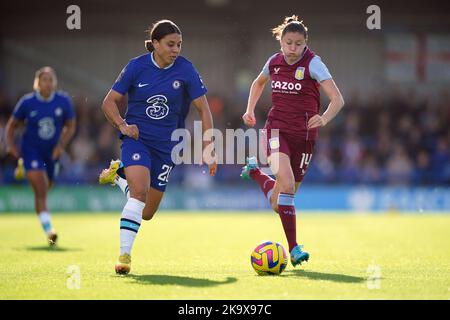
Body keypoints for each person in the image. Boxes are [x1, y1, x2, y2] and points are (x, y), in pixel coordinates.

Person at [99, 19, 217, 275]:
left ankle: (121, 176)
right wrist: (122, 125)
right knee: (139, 195)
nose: (176, 49)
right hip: (137, 140)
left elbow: (204, 109)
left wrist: (209, 147)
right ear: (155, 44)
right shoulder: (136, 67)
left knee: (147, 212)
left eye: (179, 45)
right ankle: (124, 255)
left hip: (167, 147)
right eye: (171, 44)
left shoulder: (185, 70)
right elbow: (109, 102)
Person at [241, 15, 344, 267]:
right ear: (281, 42)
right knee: (286, 185)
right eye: (288, 42)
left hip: (305, 137)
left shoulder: (314, 64)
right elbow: (258, 83)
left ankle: (255, 173)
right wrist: (250, 109)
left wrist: (324, 117)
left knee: (280, 202)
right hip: (276, 130)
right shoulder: (274, 62)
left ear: (305, 43)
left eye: (298, 43)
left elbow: (337, 99)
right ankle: (294, 248)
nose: (292, 48)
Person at [5, 66, 76, 246]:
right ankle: (50, 231)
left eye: (51, 79)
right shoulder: (27, 102)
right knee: (42, 189)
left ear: (55, 83)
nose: (48, 83)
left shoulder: (63, 101)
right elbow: (11, 125)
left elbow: (71, 126)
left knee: (46, 186)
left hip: (51, 153)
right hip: (31, 150)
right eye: (44, 79)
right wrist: (10, 145)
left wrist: (61, 146)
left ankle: (26, 169)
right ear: (37, 83)